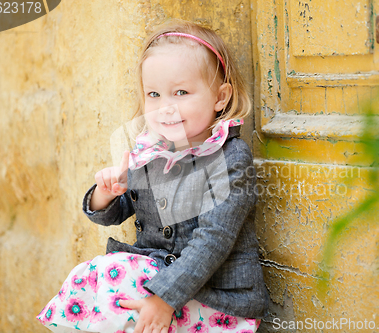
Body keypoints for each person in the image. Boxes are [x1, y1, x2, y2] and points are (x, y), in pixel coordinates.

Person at [37, 19, 269, 333]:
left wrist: (164, 298)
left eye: (181, 92)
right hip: (159, 279)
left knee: (111, 274)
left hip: (218, 301)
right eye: (154, 94)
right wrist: (106, 194)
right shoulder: (152, 152)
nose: (165, 108)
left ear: (221, 97)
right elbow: (122, 211)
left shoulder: (230, 157)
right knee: (93, 275)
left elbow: (213, 241)